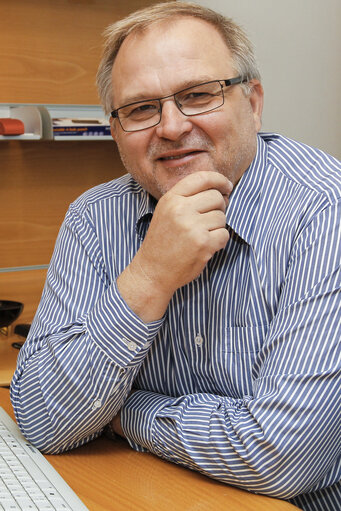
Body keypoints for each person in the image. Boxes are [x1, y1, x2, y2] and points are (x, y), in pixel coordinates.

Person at [10, 2, 340, 510]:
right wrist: (148, 276)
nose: (169, 126)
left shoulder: (323, 209)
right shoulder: (93, 219)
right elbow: (39, 417)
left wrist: (123, 412)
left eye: (198, 95)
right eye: (141, 108)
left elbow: (285, 456)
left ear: (252, 102)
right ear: (116, 131)